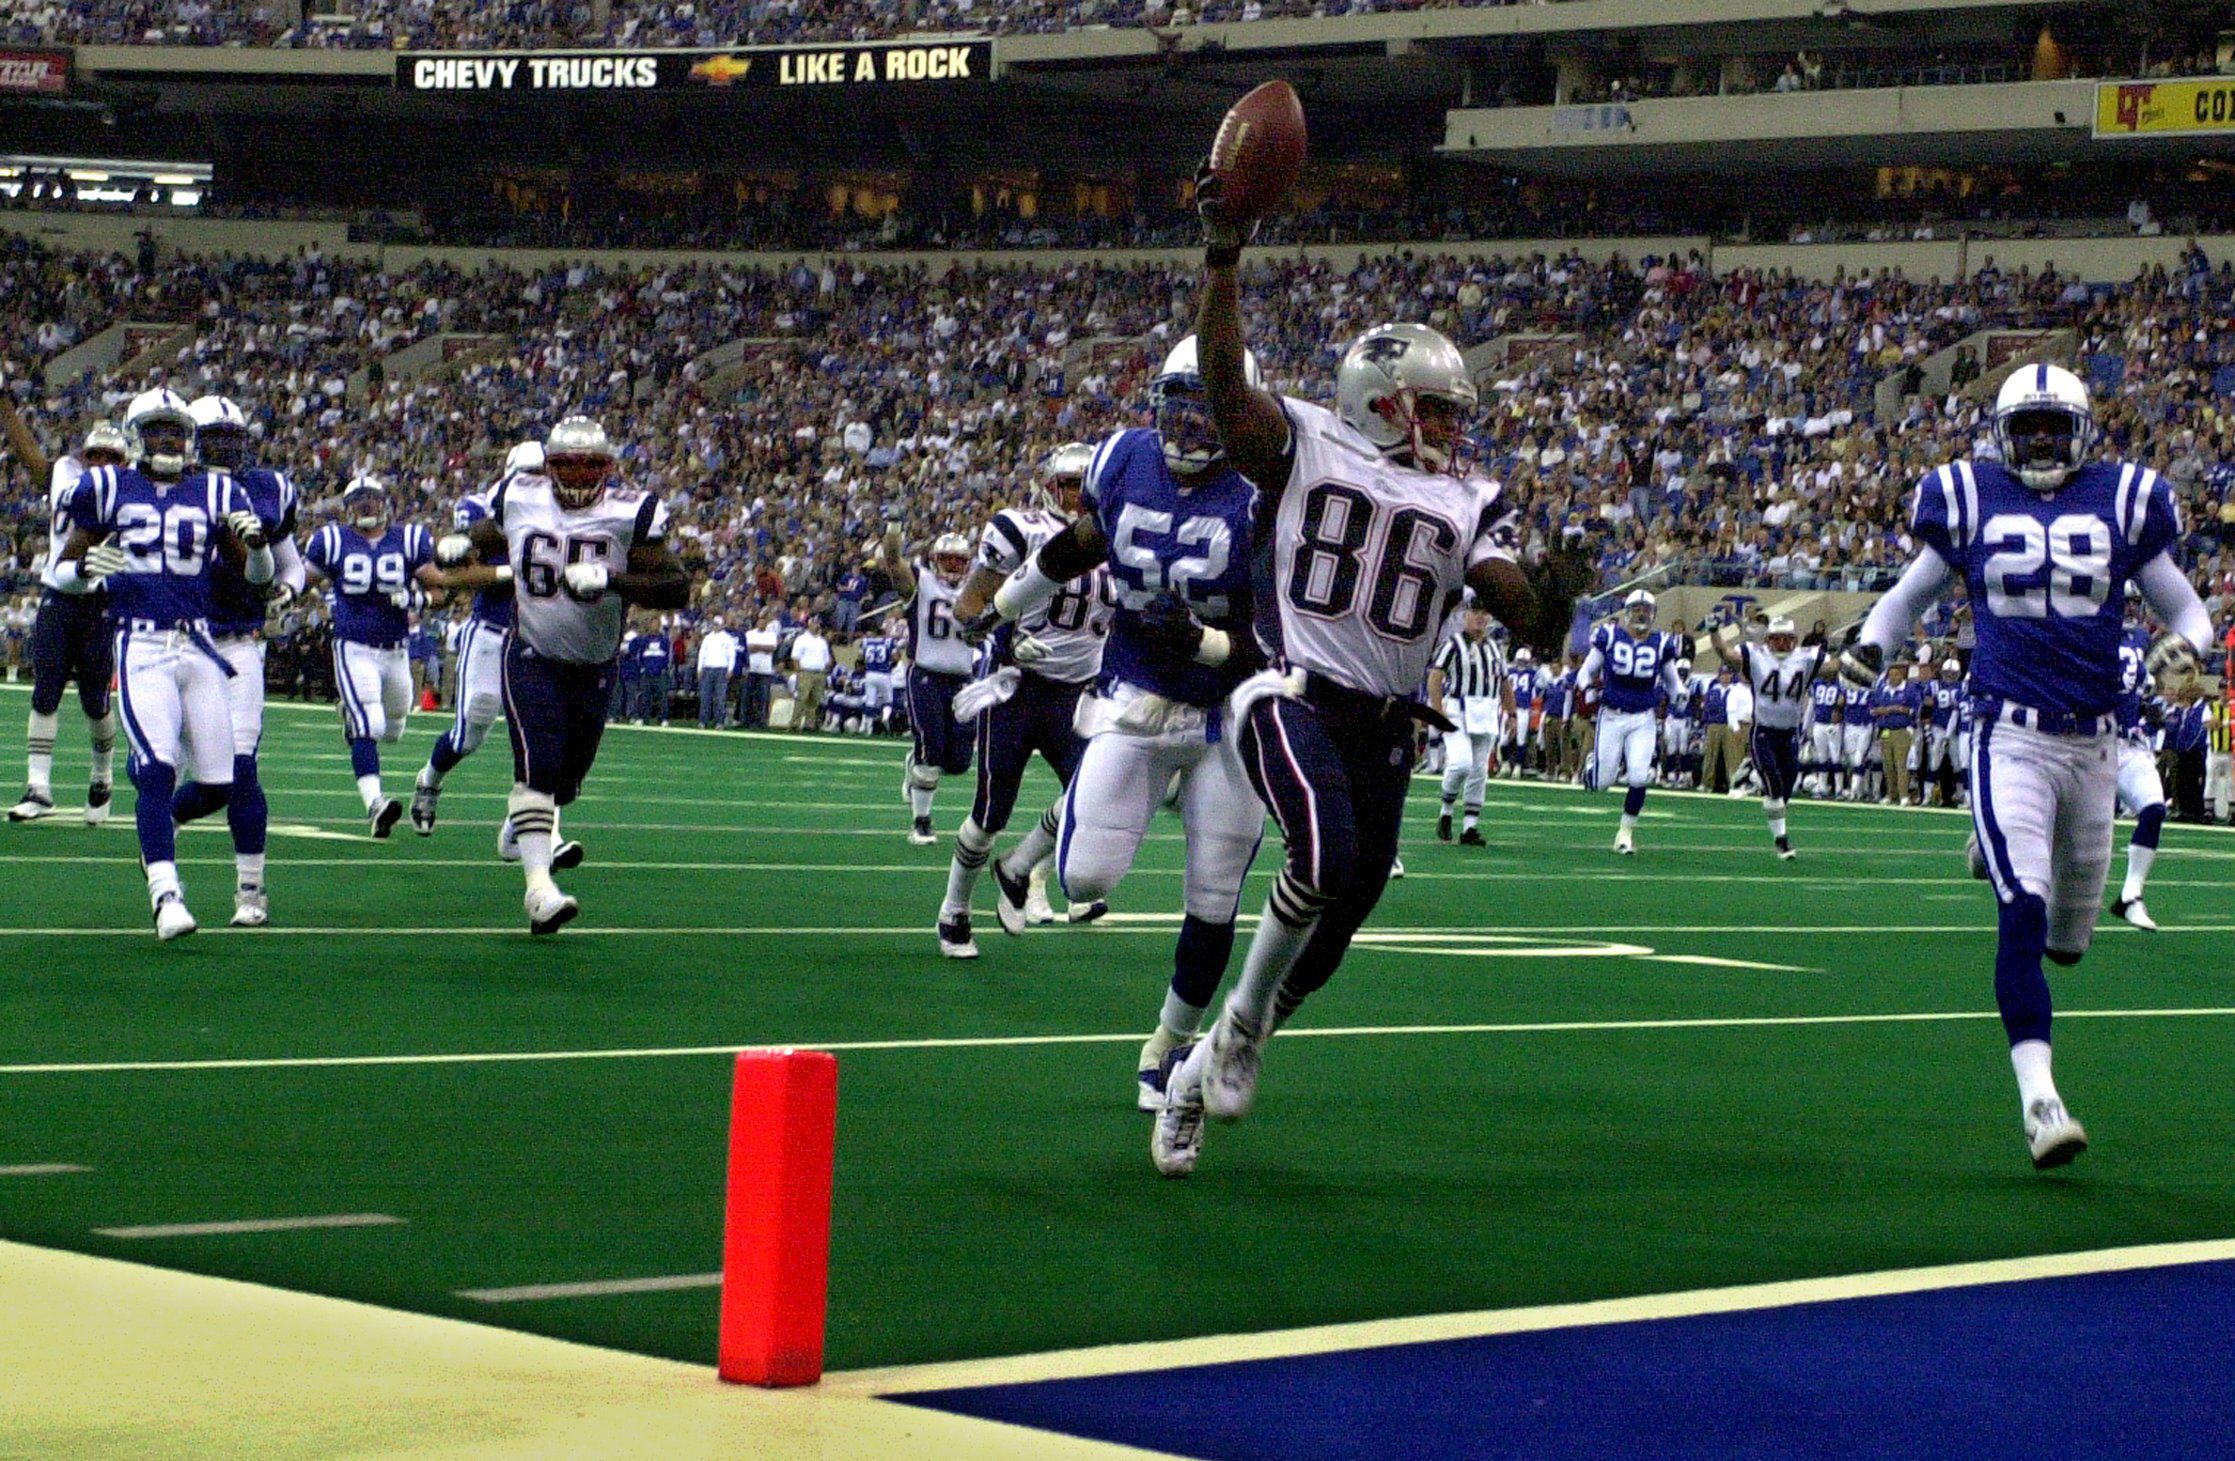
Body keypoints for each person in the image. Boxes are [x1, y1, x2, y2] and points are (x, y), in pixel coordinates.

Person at [1151, 172, 1589, 1178]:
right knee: (1326, 853)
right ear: (1382, 402)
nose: (1451, 429)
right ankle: (1245, 1022)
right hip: (1288, 689)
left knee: (1340, 922)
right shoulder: (1309, 439)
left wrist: (1544, 606)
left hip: (1388, 721)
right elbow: (1225, 391)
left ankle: (1194, 1067)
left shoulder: (1468, 497)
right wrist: (1223, 260)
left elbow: (1507, 594)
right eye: (1436, 410)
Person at [1851, 363, 2215, 1169]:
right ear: (2003, 436)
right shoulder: (1969, 493)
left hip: (2094, 744)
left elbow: (2184, 604)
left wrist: (2185, 645)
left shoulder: (2122, 497)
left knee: (2066, 945)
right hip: (2006, 732)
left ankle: (2002, 851)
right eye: (2030, 428)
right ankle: (2039, 1101)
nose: (2044, 441)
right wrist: (1870, 648)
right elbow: (1909, 597)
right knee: (2020, 912)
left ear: (2081, 429)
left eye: (2056, 426)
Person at [967, 336, 1267, 1115]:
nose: (1190, 425)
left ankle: (1166, 1046)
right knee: (1085, 877)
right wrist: (1002, 605)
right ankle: (1044, 850)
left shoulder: (1267, 495)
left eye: (1209, 409)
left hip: (1229, 711)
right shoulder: (1125, 458)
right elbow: (1082, 544)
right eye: (1179, 404)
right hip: (1136, 699)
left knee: (1212, 896)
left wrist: (1201, 641)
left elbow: (1284, 637)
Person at [441, 416, 687, 932]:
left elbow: (675, 587)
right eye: (567, 465)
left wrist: (612, 580)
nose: (577, 476)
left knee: (564, 785)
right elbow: (490, 533)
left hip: (595, 664)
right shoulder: (520, 494)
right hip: (531, 650)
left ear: (608, 467)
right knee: (537, 770)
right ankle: (539, 890)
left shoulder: (630, 511)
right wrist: (463, 542)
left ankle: (520, 830)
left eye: (589, 465)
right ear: (549, 466)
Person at [52, 388, 274, 939]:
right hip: (142, 645)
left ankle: (158, 826)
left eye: (176, 429)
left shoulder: (217, 490)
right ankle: (165, 893)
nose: (169, 438)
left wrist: (260, 547)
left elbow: (257, 579)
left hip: (199, 647)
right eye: (157, 429)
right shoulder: (107, 485)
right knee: (156, 770)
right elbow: (61, 569)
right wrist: (86, 570)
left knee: (222, 785)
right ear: (136, 435)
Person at [936, 442, 1116, 955]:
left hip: (1076, 695)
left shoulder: (1123, 535)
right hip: (1017, 688)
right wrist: (1004, 639)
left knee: (1094, 795)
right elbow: (968, 609)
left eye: (1087, 484)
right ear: (1050, 486)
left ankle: (1018, 868)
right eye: (1069, 484)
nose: (1078, 495)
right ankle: (954, 908)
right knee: (990, 813)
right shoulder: (1023, 529)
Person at [165, 395, 307, 926]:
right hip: (176, 641)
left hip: (239, 642)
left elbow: (292, 567)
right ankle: (164, 854)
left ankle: (251, 891)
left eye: (232, 436)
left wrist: (286, 595)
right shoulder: (171, 488)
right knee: (165, 768)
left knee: (241, 768)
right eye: (213, 436)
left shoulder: (268, 487)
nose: (224, 447)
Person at [301, 476, 457, 838]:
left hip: (396, 649)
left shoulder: (409, 539)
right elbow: (302, 578)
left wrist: (418, 600)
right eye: (358, 500)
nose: (366, 506)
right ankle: (376, 804)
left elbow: (442, 588)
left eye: (371, 498)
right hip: (353, 646)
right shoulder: (333, 540)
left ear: (384, 502)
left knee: (393, 729)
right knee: (369, 724)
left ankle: (352, 722)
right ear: (348, 506)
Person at [413, 441, 540, 837]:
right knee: (470, 733)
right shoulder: (483, 511)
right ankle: (430, 779)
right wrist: (513, 574)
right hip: (489, 633)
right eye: (529, 476)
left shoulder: (559, 518)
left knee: (540, 738)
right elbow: (460, 576)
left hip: (536, 638)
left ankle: (522, 828)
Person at [4, 409, 125, 826]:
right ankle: (38, 787)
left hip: (100, 600)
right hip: (60, 593)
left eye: (110, 456)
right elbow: (28, 455)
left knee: (95, 701)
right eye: (96, 454)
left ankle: (102, 776)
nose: (100, 463)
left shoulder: (131, 491)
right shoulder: (64, 474)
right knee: (46, 689)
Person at [885, 525, 977, 844]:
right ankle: (921, 823)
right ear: (935, 560)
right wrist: (894, 528)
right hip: (926, 674)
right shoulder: (921, 582)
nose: (953, 566)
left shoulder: (979, 588)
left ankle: (915, 761)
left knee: (959, 763)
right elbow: (893, 560)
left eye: (959, 560)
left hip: (963, 679)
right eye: (947, 560)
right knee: (931, 752)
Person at [1710, 614, 1825, 859]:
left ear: (1794, 640)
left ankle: (1751, 776)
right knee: (1773, 787)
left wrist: (1856, 657)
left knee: (1784, 792)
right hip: (1764, 732)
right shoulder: (1756, 655)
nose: (1782, 644)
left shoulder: (1805, 658)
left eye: (1786, 639)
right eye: (1776, 639)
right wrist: (1713, 632)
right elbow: (1726, 654)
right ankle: (1782, 841)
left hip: (1790, 734)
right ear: (1768, 640)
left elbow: (1834, 667)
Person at [1580, 589, 1685, 853]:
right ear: (1627, 612)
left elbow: (1673, 681)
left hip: (1642, 718)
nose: (1641, 614)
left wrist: (1680, 694)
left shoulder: (1662, 642)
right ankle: (1592, 768)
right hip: (1612, 714)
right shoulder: (1610, 635)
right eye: (1636, 609)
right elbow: (1586, 671)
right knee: (1602, 783)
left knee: (1639, 777)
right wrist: (1587, 687)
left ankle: (1625, 833)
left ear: (1653, 614)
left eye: (1646, 610)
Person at [1428, 606, 1508, 846]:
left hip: (1486, 711)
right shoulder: (1453, 643)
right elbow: (1436, 676)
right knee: (1461, 763)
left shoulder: (1494, 647)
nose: (1480, 617)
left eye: (1485, 613)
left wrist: (1511, 712)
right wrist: (1438, 711)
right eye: (1475, 612)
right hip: (1457, 710)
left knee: (1479, 770)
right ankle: (1446, 810)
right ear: (1465, 616)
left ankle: (1470, 827)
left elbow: (1504, 681)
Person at [1870, 659, 1923, 805]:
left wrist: (1896, 709)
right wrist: (1884, 710)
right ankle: (1890, 793)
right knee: (1888, 765)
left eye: (1896, 675)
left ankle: (1904, 795)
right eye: (1891, 675)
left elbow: (1915, 710)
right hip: (1885, 730)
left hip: (1902, 730)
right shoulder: (1882, 689)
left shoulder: (1909, 689)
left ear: (1902, 676)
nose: (1893, 678)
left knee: (1901, 764)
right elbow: (1873, 708)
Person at [1922, 658, 1968, 807]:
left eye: (1952, 673)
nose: (1949, 675)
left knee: (1958, 763)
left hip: (1957, 730)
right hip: (1938, 726)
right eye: (1947, 672)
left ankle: (1961, 795)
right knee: (1934, 762)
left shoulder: (1963, 687)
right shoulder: (1934, 685)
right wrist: (1927, 729)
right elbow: (1926, 709)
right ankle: (1927, 796)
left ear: (1958, 674)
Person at [788, 616, 832, 732]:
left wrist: (824, 669)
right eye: (814, 623)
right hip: (805, 672)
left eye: (818, 623)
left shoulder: (822, 641)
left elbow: (827, 659)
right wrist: (799, 673)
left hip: (819, 673)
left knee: (815, 700)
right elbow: (795, 658)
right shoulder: (801, 639)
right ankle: (794, 723)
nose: (816, 626)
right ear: (809, 625)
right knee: (802, 698)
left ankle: (809, 724)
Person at [695, 615, 738, 729]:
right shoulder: (708, 638)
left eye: (718, 624)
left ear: (722, 625)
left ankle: (719, 722)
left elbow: (732, 655)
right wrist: (700, 668)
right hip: (708, 668)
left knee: (720, 697)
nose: (716, 626)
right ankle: (703, 721)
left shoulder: (727, 638)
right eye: (714, 624)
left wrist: (730, 669)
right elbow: (702, 654)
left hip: (721, 669)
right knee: (705, 697)